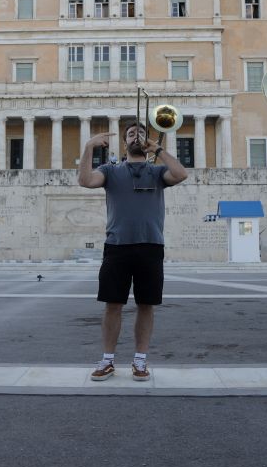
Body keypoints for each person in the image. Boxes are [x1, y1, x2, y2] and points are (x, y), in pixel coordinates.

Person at [78, 123, 187, 381]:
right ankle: (107, 360)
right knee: (112, 304)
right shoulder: (110, 171)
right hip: (117, 247)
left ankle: (140, 361)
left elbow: (181, 174)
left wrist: (158, 149)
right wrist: (88, 147)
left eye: (140, 133)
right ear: (124, 144)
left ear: (146, 141)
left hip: (150, 245)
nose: (135, 137)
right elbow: (85, 180)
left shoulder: (159, 171)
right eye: (130, 134)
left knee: (146, 305)